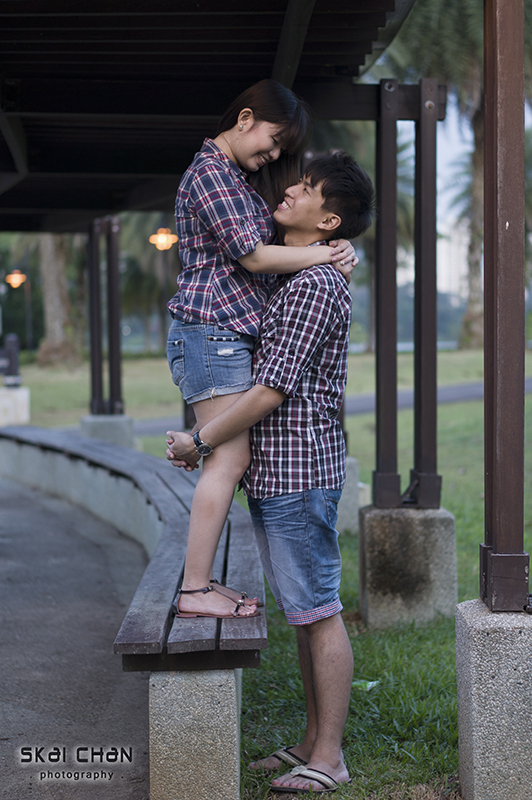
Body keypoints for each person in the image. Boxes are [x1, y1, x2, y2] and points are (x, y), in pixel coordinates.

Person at [165, 151, 375, 794]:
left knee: (318, 611)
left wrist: (199, 441)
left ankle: (330, 758)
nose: (290, 189)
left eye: (307, 188)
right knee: (304, 612)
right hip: (280, 470)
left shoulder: (312, 286)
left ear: (329, 220)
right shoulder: (297, 272)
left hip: (299, 472)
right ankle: (312, 742)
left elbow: (269, 390)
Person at [166, 79, 357, 619]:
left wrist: (333, 246)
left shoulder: (234, 179)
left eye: (280, 152)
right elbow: (253, 257)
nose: (272, 156)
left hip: (223, 336)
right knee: (227, 456)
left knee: (229, 457)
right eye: (273, 142)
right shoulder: (210, 173)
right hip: (211, 332)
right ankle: (195, 588)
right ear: (245, 118)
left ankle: (200, 585)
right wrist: (325, 254)